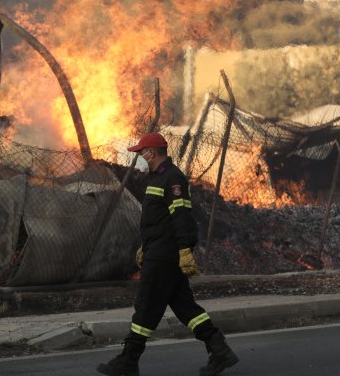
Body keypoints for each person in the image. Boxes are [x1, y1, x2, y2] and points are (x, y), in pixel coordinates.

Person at [97, 132, 239, 376]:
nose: (140, 157)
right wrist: (146, 245)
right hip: (159, 249)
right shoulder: (157, 179)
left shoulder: (172, 179)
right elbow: (159, 219)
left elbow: (182, 217)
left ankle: (129, 360)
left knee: (146, 306)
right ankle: (220, 350)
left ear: (151, 153)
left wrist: (185, 249)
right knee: (185, 308)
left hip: (165, 255)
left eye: (142, 152)